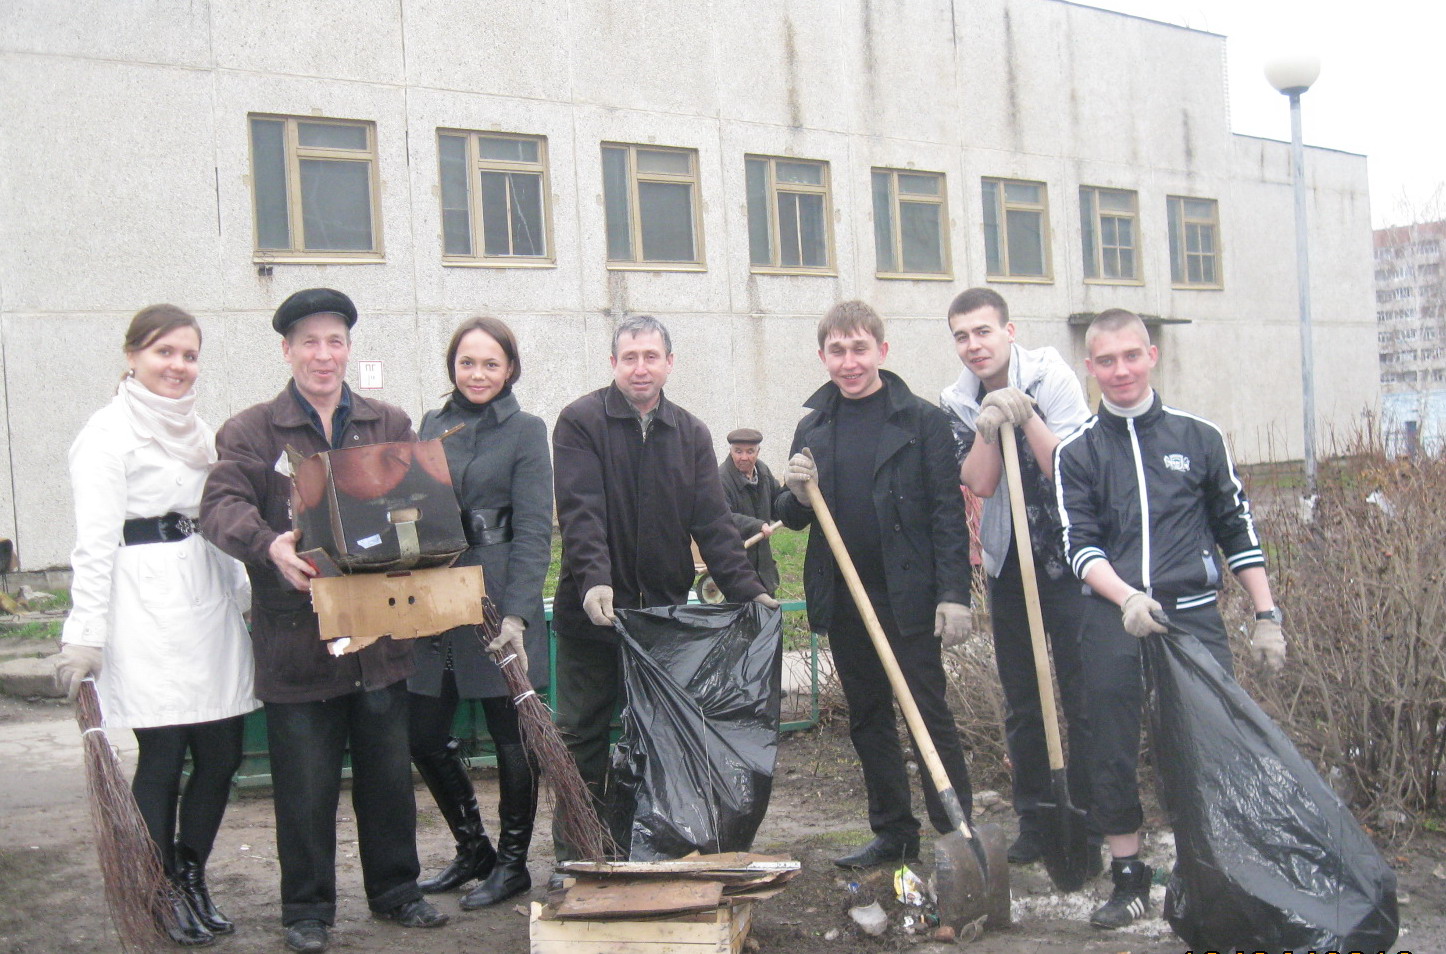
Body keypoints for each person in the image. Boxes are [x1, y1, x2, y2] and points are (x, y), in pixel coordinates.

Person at [199, 288, 446, 953]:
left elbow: (418, 508)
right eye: (308, 341)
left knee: (388, 778)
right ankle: (306, 911)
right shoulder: (252, 432)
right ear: (287, 351)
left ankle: (397, 892)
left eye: (334, 340)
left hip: (377, 638)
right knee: (304, 789)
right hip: (297, 642)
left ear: (348, 349)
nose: (322, 354)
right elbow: (220, 506)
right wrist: (267, 544)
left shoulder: (387, 420)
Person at [1053, 308, 1287, 929]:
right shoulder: (1077, 451)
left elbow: (1236, 529)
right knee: (1108, 742)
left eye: (1131, 356)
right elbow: (1079, 545)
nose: (1121, 370)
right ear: (1090, 367)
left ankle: (1202, 867)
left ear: (1151, 355)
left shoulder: (1198, 437)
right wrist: (1126, 596)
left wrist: (1267, 614)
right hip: (1113, 618)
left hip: (1192, 619)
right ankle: (1128, 874)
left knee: (1203, 744)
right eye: (1106, 360)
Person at [52, 304, 259, 948]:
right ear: (133, 356)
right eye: (164, 352)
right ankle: (158, 885)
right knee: (166, 754)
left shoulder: (199, 432)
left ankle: (192, 875)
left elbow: (216, 519)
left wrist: (245, 594)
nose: (177, 366)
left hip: (206, 598)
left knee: (223, 753)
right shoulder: (106, 434)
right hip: (143, 608)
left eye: (189, 354)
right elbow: (93, 543)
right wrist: (83, 633)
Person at [551, 314, 777, 868]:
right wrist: (594, 579)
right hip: (593, 616)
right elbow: (581, 511)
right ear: (613, 364)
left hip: (662, 625)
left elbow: (713, 523)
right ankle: (577, 856)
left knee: (655, 741)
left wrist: (749, 592)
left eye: (652, 357)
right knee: (581, 737)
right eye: (630, 358)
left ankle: (642, 852)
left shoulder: (692, 433)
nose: (641, 368)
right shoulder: (580, 422)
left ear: (669, 363)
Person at [775, 300, 974, 869]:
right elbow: (793, 517)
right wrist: (794, 488)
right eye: (836, 350)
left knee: (926, 712)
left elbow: (945, 514)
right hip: (845, 599)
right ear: (822, 356)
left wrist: (953, 594)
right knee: (867, 716)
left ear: (882, 351)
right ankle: (893, 832)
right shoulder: (814, 424)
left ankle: (954, 832)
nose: (848, 361)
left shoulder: (921, 421)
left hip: (906, 595)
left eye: (859, 348)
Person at [937, 288, 1094, 867]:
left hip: (1074, 562)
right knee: (1024, 700)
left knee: (1081, 694)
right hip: (1011, 565)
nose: (973, 345)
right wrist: (987, 425)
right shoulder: (955, 399)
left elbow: (1065, 467)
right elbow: (978, 483)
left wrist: (1024, 414)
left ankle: (1089, 813)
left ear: (1009, 329)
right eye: (961, 335)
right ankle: (1037, 816)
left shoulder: (1052, 376)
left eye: (982, 331)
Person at [408, 316, 551, 910]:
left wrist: (517, 614)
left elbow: (536, 528)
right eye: (468, 362)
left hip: (497, 595)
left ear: (510, 368)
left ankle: (513, 863)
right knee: (422, 733)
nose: (478, 373)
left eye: (491, 363)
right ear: (452, 366)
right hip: (436, 594)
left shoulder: (526, 430)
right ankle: (474, 849)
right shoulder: (430, 425)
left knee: (511, 736)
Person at [718, 428, 781, 597]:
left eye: (750, 451)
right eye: (738, 451)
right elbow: (722, 517)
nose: (744, 457)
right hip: (735, 567)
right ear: (730, 452)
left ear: (758, 452)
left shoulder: (763, 472)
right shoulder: (720, 479)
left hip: (764, 568)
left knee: (767, 618)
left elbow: (778, 503)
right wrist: (757, 525)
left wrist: (797, 495)